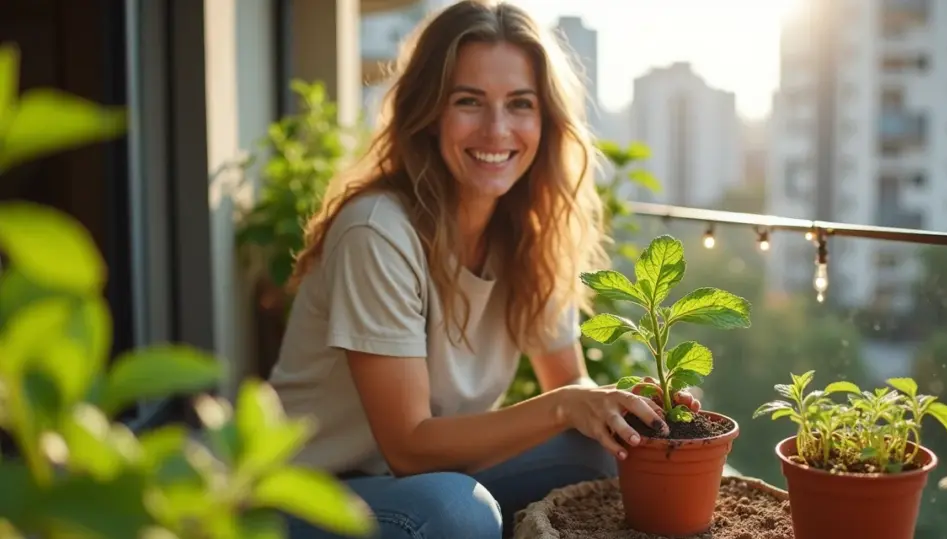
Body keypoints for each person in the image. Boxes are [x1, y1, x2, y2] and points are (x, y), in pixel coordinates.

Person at [268, 1, 700, 537]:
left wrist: (617, 407)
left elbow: (569, 383)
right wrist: (565, 406)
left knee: (608, 449)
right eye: (469, 101)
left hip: (419, 482)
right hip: (307, 494)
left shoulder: (532, 234)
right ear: (428, 112)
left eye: (520, 104)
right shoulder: (377, 231)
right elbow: (407, 447)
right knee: (456, 512)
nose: (497, 130)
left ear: (545, 120)